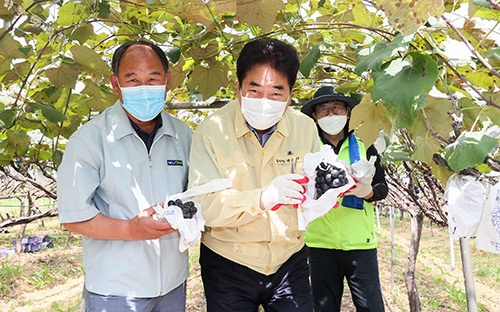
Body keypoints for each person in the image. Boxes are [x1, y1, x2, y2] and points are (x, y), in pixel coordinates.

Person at [57, 40, 192, 312]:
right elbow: (73, 216)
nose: (144, 88)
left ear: (167, 81)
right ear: (115, 84)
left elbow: (195, 196)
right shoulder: (90, 139)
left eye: (152, 78)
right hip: (115, 289)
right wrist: (130, 229)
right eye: (132, 80)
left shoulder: (184, 136)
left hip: (173, 285)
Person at [188, 38, 320, 312]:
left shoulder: (305, 128)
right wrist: (261, 198)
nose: (264, 102)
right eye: (255, 90)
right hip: (229, 262)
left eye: (276, 93)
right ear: (238, 88)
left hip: (289, 259)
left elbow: (316, 189)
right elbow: (205, 206)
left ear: (290, 95)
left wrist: (336, 190)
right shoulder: (212, 131)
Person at [301, 86, 389, 312]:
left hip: (360, 243)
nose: (331, 115)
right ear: (315, 116)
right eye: (324, 110)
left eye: (337, 108)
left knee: (372, 308)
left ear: (348, 112)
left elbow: (382, 187)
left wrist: (366, 192)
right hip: (319, 243)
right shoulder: (308, 149)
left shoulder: (365, 144)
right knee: (323, 308)